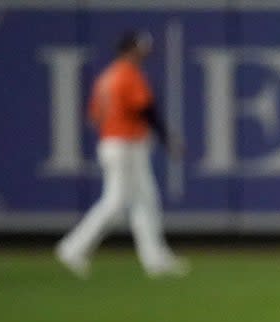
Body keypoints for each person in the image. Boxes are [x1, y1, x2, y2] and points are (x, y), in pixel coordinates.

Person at [56, 30, 187, 279]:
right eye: (141, 47)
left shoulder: (106, 77)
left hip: (115, 143)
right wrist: (167, 138)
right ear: (130, 49)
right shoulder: (128, 75)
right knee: (116, 204)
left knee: (145, 201)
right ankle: (72, 248)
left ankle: (155, 259)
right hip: (125, 146)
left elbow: (95, 116)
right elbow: (146, 110)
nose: (146, 52)